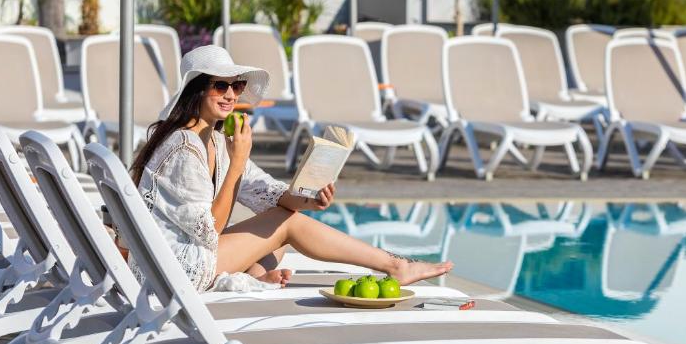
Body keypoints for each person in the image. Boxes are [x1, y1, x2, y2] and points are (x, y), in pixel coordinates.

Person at [129, 44, 452, 292]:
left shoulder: (212, 139)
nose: (230, 95)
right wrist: (238, 160)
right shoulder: (184, 146)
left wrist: (307, 197)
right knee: (284, 226)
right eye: (219, 86)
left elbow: (265, 193)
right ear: (196, 89)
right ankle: (395, 266)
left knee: (283, 226)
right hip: (173, 268)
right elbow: (210, 229)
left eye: (237, 86)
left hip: (182, 258)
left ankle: (256, 276)